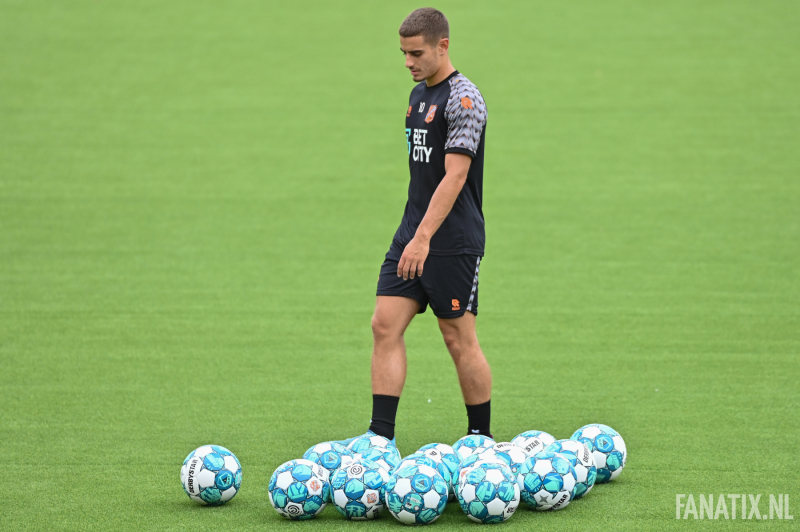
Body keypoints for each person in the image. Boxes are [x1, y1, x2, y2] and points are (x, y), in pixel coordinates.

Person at [342, 7, 491, 447]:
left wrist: (424, 239)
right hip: (412, 233)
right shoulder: (418, 96)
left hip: (451, 241)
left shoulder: (464, 100)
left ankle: (480, 438)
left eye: (416, 53)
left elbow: (455, 176)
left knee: (457, 336)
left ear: (443, 46)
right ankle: (379, 438)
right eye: (404, 53)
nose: (407, 62)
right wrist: (414, 235)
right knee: (384, 325)